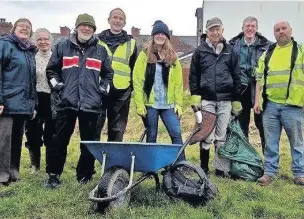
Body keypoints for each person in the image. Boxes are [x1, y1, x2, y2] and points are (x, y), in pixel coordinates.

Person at [45, 13, 114, 188]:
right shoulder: (62, 47)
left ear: (93, 30)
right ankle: (53, 175)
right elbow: (51, 71)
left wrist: (102, 90)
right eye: (83, 26)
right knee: (59, 140)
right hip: (66, 102)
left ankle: (85, 176)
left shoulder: (101, 51)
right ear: (76, 27)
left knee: (88, 143)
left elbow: (108, 74)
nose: (86, 29)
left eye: (90, 27)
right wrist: (59, 87)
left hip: (91, 104)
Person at [189, 17, 242, 176]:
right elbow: (193, 75)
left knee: (221, 136)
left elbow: (237, 75)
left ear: (222, 30)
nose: (215, 32)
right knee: (206, 134)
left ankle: (220, 169)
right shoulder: (200, 51)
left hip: (226, 100)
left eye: (217, 29)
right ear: (207, 32)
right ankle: (204, 168)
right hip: (207, 100)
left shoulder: (230, 50)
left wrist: (236, 98)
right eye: (211, 29)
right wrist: (195, 95)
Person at [254, 21, 304, 186]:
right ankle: (269, 173)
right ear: (274, 33)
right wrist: (256, 101)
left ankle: (299, 173)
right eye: (277, 30)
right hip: (271, 106)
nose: (281, 32)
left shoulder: (300, 50)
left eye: (284, 29)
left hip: (293, 106)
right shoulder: (268, 52)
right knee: (271, 142)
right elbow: (259, 78)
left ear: (291, 30)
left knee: (296, 142)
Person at [133, 20, 184, 157]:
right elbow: (137, 81)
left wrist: (179, 103)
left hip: (168, 104)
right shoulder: (144, 55)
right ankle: (150, 165)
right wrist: (139, 104)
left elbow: (179, 83)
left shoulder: (173, 57)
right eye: (157, 33)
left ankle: (181, 165)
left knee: (176, 133)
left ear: (167, 37)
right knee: (152, 135)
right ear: (153, 36)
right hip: (151, 104)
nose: (160, 36)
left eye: (163, 34)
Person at [0, 18, 36, 186]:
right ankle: (2, 175)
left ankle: (14, 172)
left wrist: (32, 104)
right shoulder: (5, 44)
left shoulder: (29, 51)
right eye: (21, 26)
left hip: (22, 105)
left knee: (16, 140)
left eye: (28, 27)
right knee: (3, 140)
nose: (24, 28)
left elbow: (31, 80)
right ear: (14, 29)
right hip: (6, 103)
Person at [229, 16, 271, 153]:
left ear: (257, 29)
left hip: (258, 90)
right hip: (241, 90)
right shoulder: (233, 45)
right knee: (242, 125)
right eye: (247, 26)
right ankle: (244, 155)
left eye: (253, 26)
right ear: (242, 28)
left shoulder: (267, 46)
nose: (250, 28)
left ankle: (268, 159)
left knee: (262, 124)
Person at [97, 8, 137, 142]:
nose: (117, 21)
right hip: (99, 89)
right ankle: (89, 161)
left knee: (117, 131)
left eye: (121, 19)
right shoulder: (97, 41)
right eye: (115, 17)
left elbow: (134, 68)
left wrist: (131, 88)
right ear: (109, 20)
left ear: (124, 23)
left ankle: (113, 162)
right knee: (95, 127)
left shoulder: (131, 43)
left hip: (122, 92)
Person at [25, 28, 55, 174]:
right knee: (32, 132)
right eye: (39, 39)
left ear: (51, 41)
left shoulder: (57, 57)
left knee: (51, 133)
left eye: (46, 39)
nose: (43, 42)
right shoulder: (30, 57)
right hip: (35, 98)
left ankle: (51, 165)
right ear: (35, 41)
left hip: (51, 99)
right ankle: (35, 165)